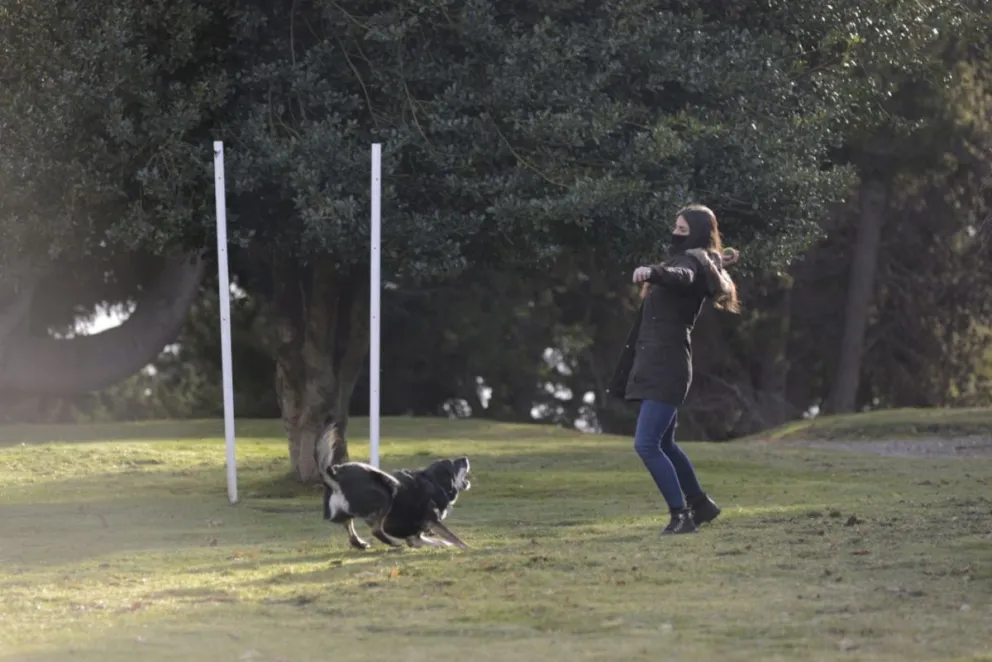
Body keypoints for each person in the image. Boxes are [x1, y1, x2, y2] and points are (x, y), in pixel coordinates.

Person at [607, 204, 740, 535]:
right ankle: (701, 504)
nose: (675, 234)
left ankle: (680, 515)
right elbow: (699, 267)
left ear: (695, 233)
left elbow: (684, 276)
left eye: (683, 230)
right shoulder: (697, 260)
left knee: (646, 445)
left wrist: (652, 272)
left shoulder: (688, 266)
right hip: (661, 363)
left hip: (668, 367)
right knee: (664, 444)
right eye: (675, 228)